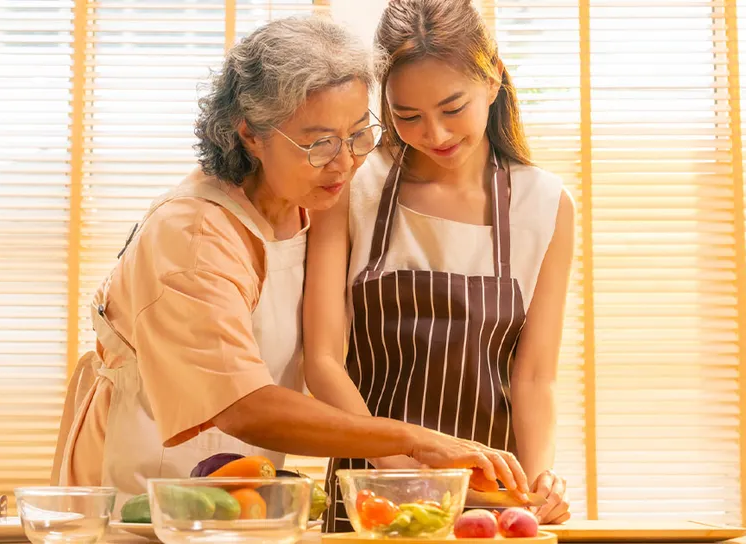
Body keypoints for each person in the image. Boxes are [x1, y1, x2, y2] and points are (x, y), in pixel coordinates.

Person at [50, 14, 528, 512]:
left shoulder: (307, 209)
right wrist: (410, 440)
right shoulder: (192, 234)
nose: (344, 162)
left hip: (236, 496)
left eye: (358, 134)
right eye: (319, 143)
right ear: (250, 135)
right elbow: (242, 405)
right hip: (143, 492)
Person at [304, 0, 575, 530]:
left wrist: (537, 485)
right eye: (408, 116)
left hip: (493, 497)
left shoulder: (544, 204)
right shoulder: (351, 188)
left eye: (453, 109)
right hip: (371, 493)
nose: (436, 135)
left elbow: (534, 376)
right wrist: (398, 470)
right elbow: (322, 362)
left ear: (493, 78)